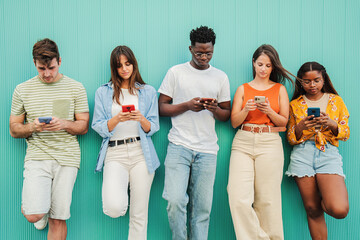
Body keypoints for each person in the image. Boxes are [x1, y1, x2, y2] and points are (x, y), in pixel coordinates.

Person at [9, 38, 89, 240]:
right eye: (41, 68)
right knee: (32, 214)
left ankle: (46, 209)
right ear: (34, 64)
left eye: (51, 68)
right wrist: (32, 127)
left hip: (67, 158)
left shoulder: (76, 88)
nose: (47, 74)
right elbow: (14, 129)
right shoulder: (22, 90)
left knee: (58, 219)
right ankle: (39, 209)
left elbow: (83, 126)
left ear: (59, 61)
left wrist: (64, 124)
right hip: (37, 157)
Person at [158, 26, 231, 240]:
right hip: (179, 146)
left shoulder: (220, 77)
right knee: (174, 201)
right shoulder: (176, 72)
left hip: (207, 150)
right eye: (199, 53)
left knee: (202, 211)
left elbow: (226, 114)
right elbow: (161, 108)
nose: (204, 57)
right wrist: (187, 106)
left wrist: (213, 109)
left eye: (208, 53)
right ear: (190, 49)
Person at [92, 45, 160, 240]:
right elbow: (98, 126)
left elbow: (153, 127)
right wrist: (117, 119)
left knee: (139, 215)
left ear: (133, 64)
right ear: (114, 68)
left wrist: (140, 119)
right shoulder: (103, 92)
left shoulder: (147, 91)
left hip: (141, 152)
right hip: (115, 153)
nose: (124, 69)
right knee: (113, 206)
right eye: (119, 65)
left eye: (127, 63)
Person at [227, 44, 293, 240]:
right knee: (237, 197)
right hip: (243, 141)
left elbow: (284, 122)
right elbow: (234, 122)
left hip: (270, 141)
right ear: (254, 63)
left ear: (273, 68)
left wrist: (269, 111)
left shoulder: (279, 89)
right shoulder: (242, 89)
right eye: (260, 64)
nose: (263, 69)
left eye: (268, 66)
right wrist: (246, 109)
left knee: (268, 200)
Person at [285, 62, 349, 239]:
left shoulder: (336, 101)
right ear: (301, 82)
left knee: (339, 209)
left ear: (323, 79)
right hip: (302, 154)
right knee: (312, 210)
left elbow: (345, 133)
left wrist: (332, 124)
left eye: (316, 80)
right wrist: (301, 126)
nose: (312, 85)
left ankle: (325, 197)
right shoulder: (295, 104)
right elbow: (291, 138)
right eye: (306, 81)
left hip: (328, 153)